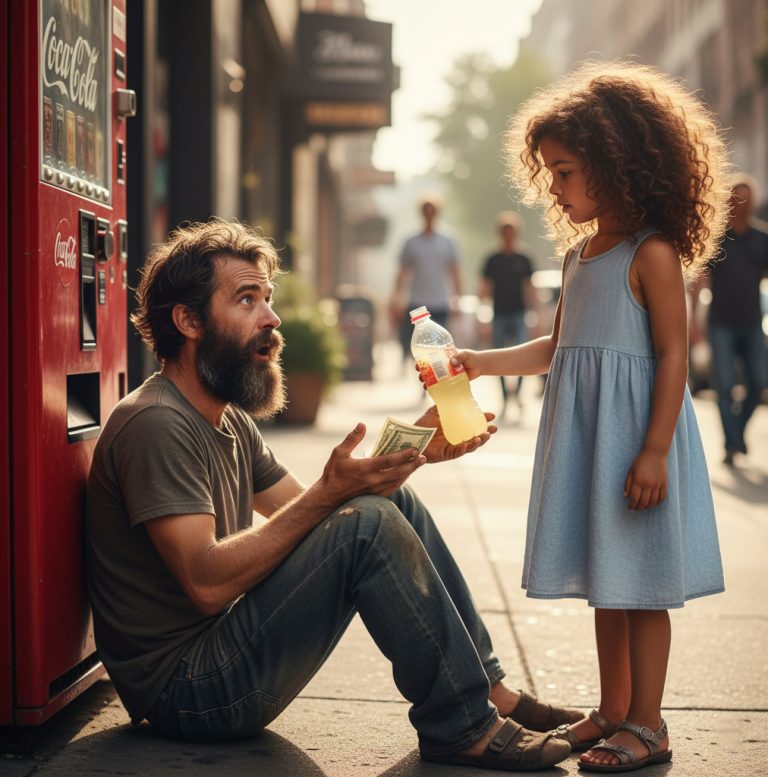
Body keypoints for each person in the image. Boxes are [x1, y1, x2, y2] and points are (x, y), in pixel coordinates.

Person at [85, 219, 581, 771]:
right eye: (247, 300)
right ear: (189, 320)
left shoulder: (228, 420)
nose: (271, 319)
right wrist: (333, 493)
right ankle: (460, 725)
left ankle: (488, 691)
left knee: (386, 505)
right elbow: (206, 583)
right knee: (365, 522)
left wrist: (412, 454)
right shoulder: (157, 424)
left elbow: (319, 513)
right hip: (188, 692)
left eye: (267, 299)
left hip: (223, 652)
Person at [453, 61, 728, 772]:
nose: (555, 186)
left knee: (641, 589)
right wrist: (482, 362)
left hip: (636, 439)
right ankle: (612, 709)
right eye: (549, 172)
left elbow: (672, 356)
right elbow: (558, 346)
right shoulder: (579, 255)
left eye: (566, 170)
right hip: (590, 442)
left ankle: (649, 722)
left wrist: (656, 450)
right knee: (608, 582)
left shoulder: (653, 254)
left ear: (617, 163)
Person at [691, 175, 768, 465]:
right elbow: (700, 280)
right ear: (729, 202)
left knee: (759, 380)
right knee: (723, 386)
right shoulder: (717, 238)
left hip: (751, 323)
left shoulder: (762, 239)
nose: (742, 204)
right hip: (720, 322)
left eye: (747, 198)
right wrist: (694, 321)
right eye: (736, 199)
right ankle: (731, 444)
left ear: (754, 202)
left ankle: (736, 434)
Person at [390, 193, 463, 364]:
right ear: (421, 213)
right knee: (420, 349)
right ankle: (425, 383)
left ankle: (438, 384)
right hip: (417, 304)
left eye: (432, 210)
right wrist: (396, 298)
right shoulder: (411, 241)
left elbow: (455, 272)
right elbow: (402, 272)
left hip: (440, 303)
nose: (429, 214)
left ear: (437, 212)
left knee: (440, 348)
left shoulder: (447, 240)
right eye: (426, 210)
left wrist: (457, 298)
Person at [478, 211, 538, 417]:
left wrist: (535, 314)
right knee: (498, 357)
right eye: (505, 232)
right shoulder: (492, 259)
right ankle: (505, 397)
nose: (508, 235)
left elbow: (530, 288)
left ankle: (518, 394)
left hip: (519, 313)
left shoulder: (524, 258)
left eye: (511, 231)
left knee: (523, 357)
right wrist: (482, 317)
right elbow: (484, 289)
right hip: (499, 314)